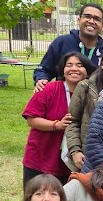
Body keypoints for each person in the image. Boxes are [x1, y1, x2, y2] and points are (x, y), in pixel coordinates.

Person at [22, 52, 95, 186]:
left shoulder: (91, 95)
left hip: (73, 162)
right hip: (42, 157)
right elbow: (31, 119)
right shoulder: (49, 89)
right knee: (36, 200)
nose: (74, 69)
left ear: (88, 71)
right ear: (63, 70)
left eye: (80, 65)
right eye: (69, 65)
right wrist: (57, 125)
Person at [64, 47, 103, 171]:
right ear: (102, 64)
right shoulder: (85, 87)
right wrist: (75, 150)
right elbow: (72, 121)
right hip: (87, 155)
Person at [33, 4, 103, 92]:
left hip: (93, 102)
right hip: (63, 100)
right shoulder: (61, 42)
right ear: (79, 20)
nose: (91, 21)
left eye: (97, 19)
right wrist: (41, 79)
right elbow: (44, 70)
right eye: (87, 16)